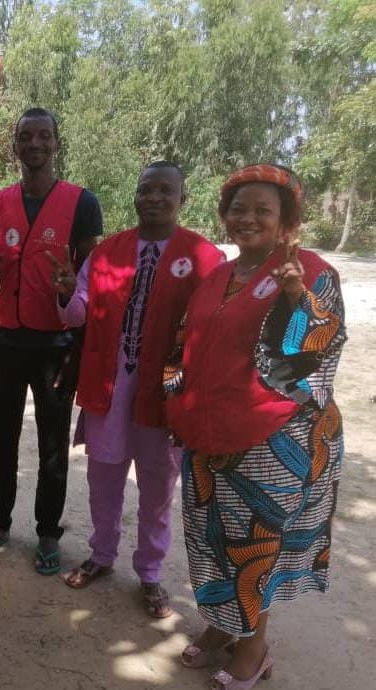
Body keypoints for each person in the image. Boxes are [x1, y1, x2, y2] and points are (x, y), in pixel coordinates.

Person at [165, 165, 345, 689]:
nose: (248, 219)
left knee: (254, 549)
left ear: (286, 221)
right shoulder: (218, 277)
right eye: (238, 209)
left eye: (263, 210)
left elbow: (313, 360)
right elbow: (184, 346)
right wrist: (176, 407)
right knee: (211, 540)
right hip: (207, 437)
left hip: (273, 443)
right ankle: (222, 628)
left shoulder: (311, 272)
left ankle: (255, 652)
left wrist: (293, 300)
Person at [48, 162, 224, 618]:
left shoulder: (206, 258)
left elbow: (212, 335)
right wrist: (68, 293)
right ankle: (101, 556)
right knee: (103, 480)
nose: (154, 197)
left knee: (157, 488)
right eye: (146, 189)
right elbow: (78, 314)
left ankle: (149, 573)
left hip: (166, 396)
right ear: (136, 195)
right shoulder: (108, 251)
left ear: (182, 199)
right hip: (109, 387)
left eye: (166, 191)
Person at [0, 108, 103, 574]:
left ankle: (47, 533)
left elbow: (89, 291)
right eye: (27, 137)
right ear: (15, 146)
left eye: (45, 136)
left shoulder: (82, 204)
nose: (35, 144)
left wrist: (79, 356)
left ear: (56, 144)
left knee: (51, 447)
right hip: (7, 341)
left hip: (56, 347)